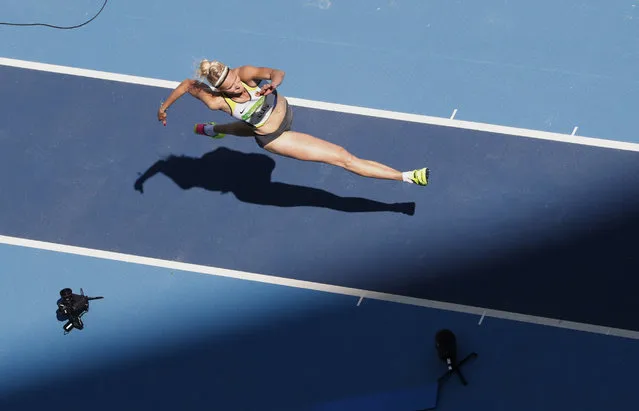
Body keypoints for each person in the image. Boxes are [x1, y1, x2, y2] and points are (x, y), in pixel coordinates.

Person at [156, 60, 429, 186]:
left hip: (279, 112)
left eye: (235, 81)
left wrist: (272, 84)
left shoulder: (246, 74)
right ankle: (406, 176)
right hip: (276, 137)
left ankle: (214, 130)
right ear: (219, 89)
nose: (237, 87)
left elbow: (278, 71)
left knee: (245, 125)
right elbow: (187, 84)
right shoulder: (215, 101)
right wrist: (164, 108)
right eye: (229, 88)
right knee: (342, 157)